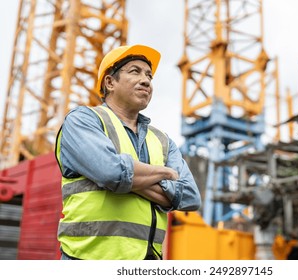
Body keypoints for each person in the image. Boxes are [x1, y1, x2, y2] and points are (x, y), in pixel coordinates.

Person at [55, 44, 201, 260]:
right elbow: (111, 172)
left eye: (149, 76)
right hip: (89, 259)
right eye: (135, 71)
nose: (146, 80)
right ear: (110, 82)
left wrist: (125, 181)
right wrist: (165, 173)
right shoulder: (83, 120)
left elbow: (190, 197)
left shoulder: (162, 140)